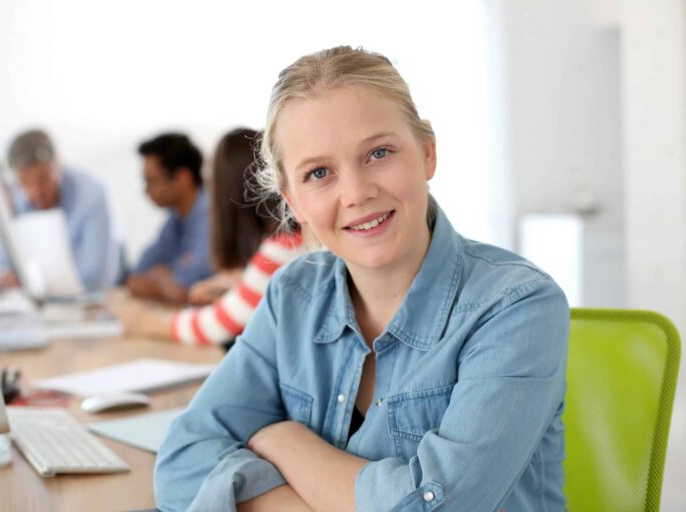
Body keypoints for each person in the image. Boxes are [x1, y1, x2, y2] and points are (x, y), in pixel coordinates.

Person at [155, 47, 569, 512]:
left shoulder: (518, 305)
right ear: (292, 202)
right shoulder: (292, 295)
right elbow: (179, 464)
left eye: (378, 153)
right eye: (319, 173)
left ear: (427, 154)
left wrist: (281, 439)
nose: (356, 193)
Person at [112, 128, 303, 346]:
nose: (210, 188)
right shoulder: (286, 241)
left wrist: (144, 321)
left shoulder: (284, 245)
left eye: (214, 177)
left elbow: (215, 324)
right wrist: (235, 283)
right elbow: (140, 274)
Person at [0, 129, 122, 292]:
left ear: (58, 166)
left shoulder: (91, 194)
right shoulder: (10, 196)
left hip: (90, 300)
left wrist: (29, 283)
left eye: (44, 179)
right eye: (25, 182)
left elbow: (97, 277)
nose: (36, 191)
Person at [127, 133, 213, 305]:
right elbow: (136, 276)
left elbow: (183, 291)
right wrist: (165, 280)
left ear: (182, 177)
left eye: (152, 181)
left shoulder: (211, 216)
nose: (146, 190)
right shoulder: (175, 218)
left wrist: (164, 276)